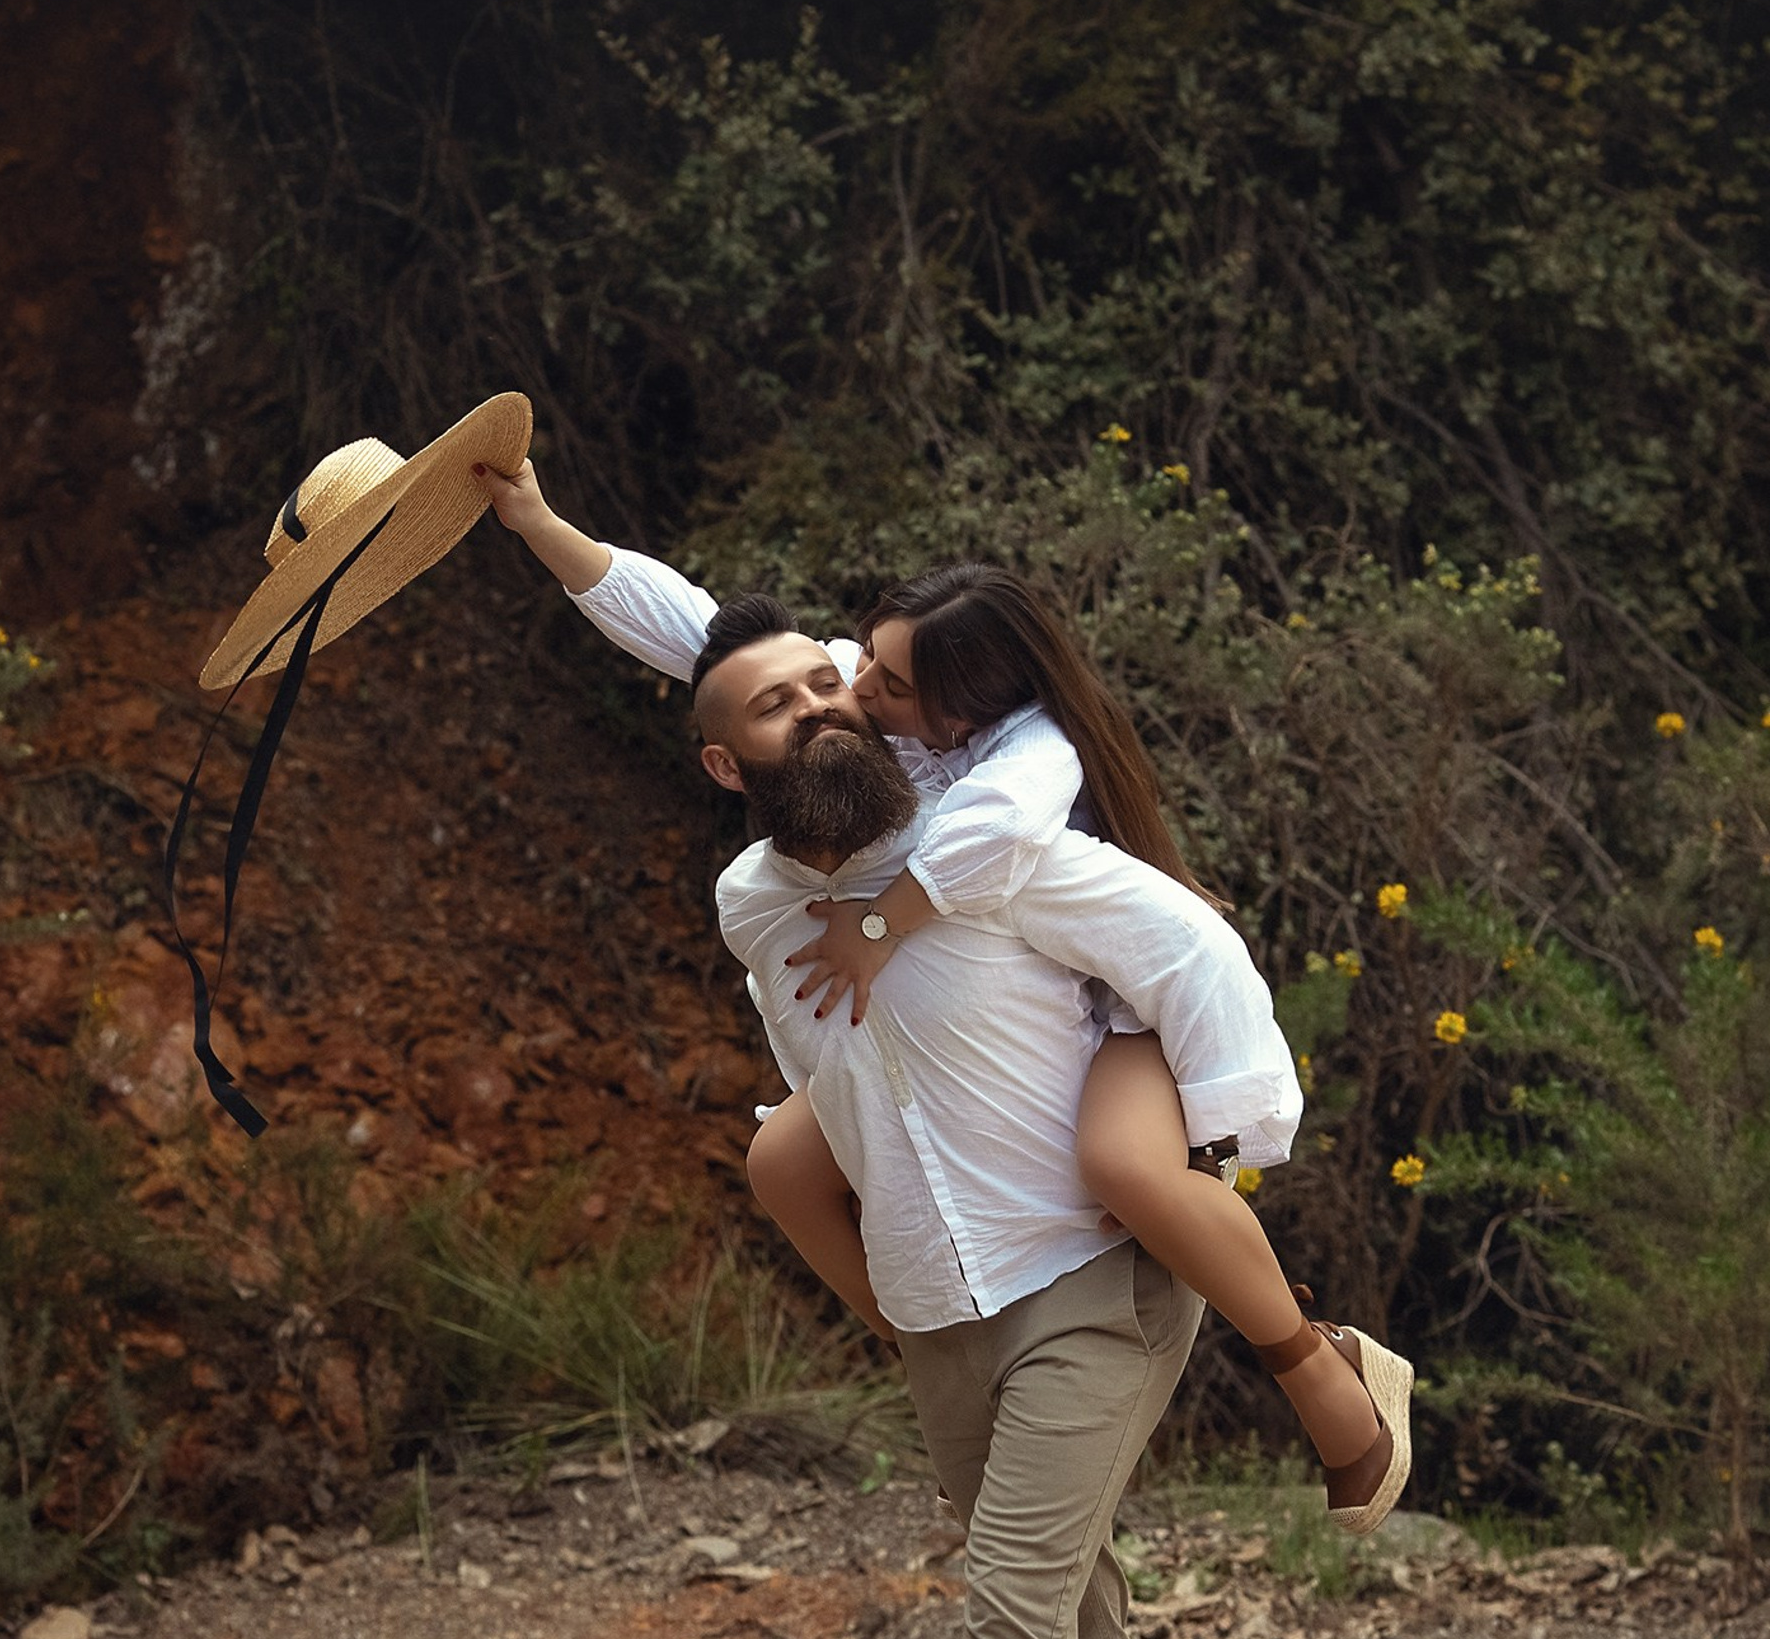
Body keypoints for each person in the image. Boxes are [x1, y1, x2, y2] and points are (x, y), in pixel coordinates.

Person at [627, 587, 1284, 1639]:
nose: (821, 707)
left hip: (1094, 1279)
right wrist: (529, 521)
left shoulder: (981, 832)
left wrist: (1201, 1131)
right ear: (727, 765)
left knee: (1011, 1624)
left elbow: (1091, 810)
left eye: (828, 682)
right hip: (941, 1313)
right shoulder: (751, 905)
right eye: (777, 705)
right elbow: (841, 1108)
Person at [479, 457, 1411, 1535]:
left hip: (1122, 998)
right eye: (860, 663)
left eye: (886, 684)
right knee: (781, 1159)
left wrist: (1219, 1125)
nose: (856, 691)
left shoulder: (1020, 762)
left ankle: (1319, 1368)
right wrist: (539, 523)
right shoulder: (863, 695)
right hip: (1000, 992)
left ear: (966, 712)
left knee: (1126, 1168)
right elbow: (691, 632)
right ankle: (947, 1369)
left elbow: (1042, 866)